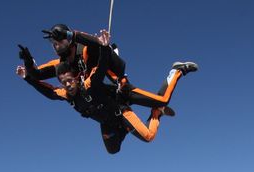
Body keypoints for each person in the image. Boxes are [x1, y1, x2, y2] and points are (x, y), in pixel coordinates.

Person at [16, 36, 198, 154]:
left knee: (149, 136)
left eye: (70, 81)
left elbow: (101, 67)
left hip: (120, 108)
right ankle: (125, 129)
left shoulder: (88, 83)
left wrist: (104, 48)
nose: (68, 85)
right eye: (64, 83)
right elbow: (48, 91)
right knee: (112, 150)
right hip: (109, 122)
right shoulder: (66, 94)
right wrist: (28, 77)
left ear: (77, 78)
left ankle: (172, 81)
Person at [18, 24, 197, 109]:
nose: (55, 46)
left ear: (68, 41)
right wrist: (28, 61)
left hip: (117, 80)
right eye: (53, 44)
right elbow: (37, 75)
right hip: (102, 91)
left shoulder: (84, 48)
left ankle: (177, 71)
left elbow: (97, 43)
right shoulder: (61, 64)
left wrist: (70, 34)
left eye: (58, 41)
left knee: (162, 101)